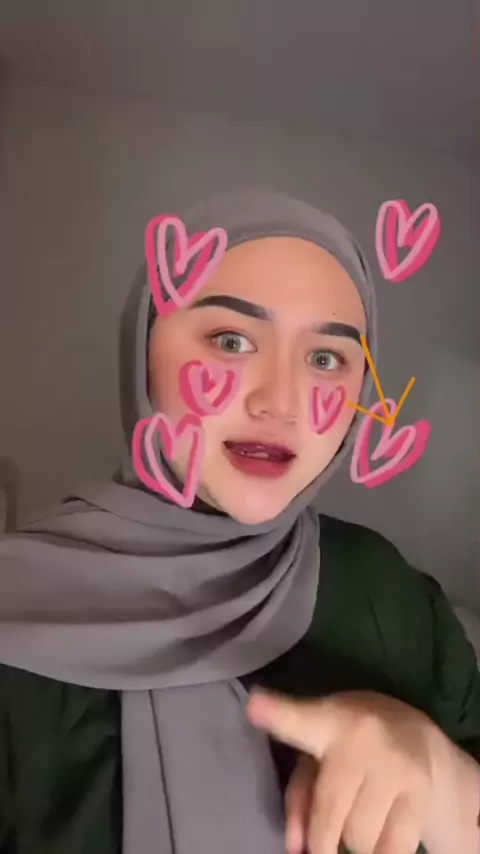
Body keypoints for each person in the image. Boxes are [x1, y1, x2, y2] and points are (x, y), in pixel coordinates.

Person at [0, 190, 478, 854]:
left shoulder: (390, 595)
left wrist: (444, 777)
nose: (281, 402)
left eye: (326, 359)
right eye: (231, 340)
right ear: (141, 351)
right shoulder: (18, 607)